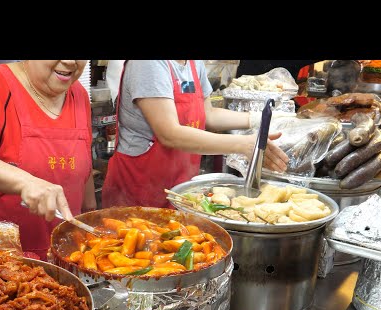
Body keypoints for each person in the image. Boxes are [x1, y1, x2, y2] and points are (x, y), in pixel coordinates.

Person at [0, 60, 95, 258]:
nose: (69, 61)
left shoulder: (79, 95)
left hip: (65, 257)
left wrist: (92, 220)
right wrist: (27, 182)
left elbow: (84, 174)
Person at [101, 60, 290, 209]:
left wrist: (260, 119)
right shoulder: (148, 64)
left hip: (177, 184)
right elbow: (169, 133)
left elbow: (209, 115)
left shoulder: (192, 62)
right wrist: (243, 145)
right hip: (140, 188)